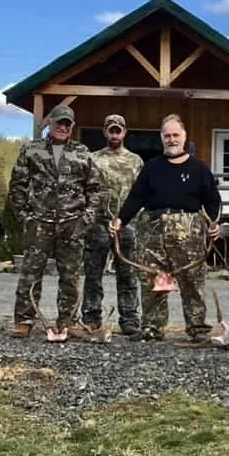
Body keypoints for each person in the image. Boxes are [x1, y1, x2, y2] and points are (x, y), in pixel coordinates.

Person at [109, 113, 221, 343]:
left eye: (175, 135)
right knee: (152, 279)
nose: (172, 140)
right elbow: (136, 197)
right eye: (167, 136)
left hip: (189, 232)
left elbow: (212, 200)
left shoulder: (199, 168)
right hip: (152, 230)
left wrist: (213, 224)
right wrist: (120, 220)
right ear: (162, 138)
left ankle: (197, 327)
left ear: (184, 136)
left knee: (192, 279)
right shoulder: (152, 167)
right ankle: (152, 327)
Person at [9, 103, 101, 338]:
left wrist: (86, 218)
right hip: (39, 222)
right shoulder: (31, 150)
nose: (63, 127)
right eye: (59, 122)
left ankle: (67, 322)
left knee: (70, 276)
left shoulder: (82, 152)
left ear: (72, 127)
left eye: (67, 124)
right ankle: (24, 320)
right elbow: (17, 185)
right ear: (50, 122)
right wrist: (24, 216)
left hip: (72, 223)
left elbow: (95, 190)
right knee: (30, 273)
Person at [80, 113, 144, 336]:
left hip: (126, 225)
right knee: (93, 274)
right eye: (111, 131)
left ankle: (129, 318)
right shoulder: (93, 159)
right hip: (98, 225)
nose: (115, 134)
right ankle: (91, 317)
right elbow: (84, 190)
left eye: (118, 130)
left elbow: (140, 193)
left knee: (128, 274)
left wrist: (135, 219)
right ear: (105, 133)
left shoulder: (135, 161)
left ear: (124, 133)